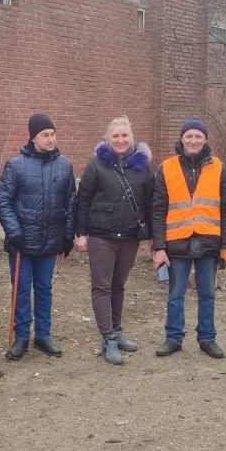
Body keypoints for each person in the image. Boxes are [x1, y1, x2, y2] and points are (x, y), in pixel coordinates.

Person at [0, 113, 76, 360]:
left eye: (52, 134)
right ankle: (21, 338)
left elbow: (71, 202)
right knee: (21, 289)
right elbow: (2, 199)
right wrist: (14, 231)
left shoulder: (65, 165)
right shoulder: (16, 165)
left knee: (44, 288)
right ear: (33, 137)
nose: (50, 139)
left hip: (50, 241)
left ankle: (43, 335)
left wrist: (67, 236)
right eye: (45, 135)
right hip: (22, 243)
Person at [151, 117, 226, 359]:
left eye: (198, 136)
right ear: (182, 139)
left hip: (209, 242)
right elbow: (158, 209)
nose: (194, 140)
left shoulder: (218, 167)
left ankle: (207, 338)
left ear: (205, 139)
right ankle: (173, 338)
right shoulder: (166, 167)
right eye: (189, 136)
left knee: (207, 293)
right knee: (175, 294)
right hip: (177, 242)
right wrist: (159, 247)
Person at [75, 116, 154, 365]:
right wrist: (81, 233)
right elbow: (83, 201)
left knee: (119, 285)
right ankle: (107, 337)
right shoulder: (97, 165)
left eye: (125, 135)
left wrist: (152, 237)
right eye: (115, 136)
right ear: (107, 139)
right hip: (101, 235)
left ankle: (117, 330)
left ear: (132, 137)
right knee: (102, 287)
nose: (120, 140)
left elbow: (151, 203)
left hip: (130, 237)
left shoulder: (144, 168)